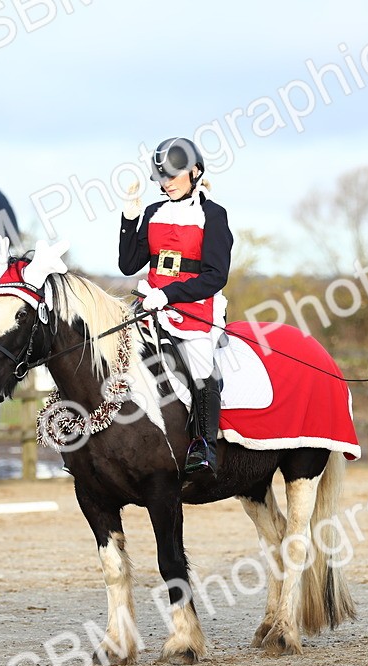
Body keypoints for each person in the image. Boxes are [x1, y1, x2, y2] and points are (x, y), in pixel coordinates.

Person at [119, 137, 233, 475]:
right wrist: (129, 217)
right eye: (162, 177)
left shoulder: (213, 215)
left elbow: (216, 276)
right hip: (151, 306)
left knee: (200, 365)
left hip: (196, 309)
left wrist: (169, 295)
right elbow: (129, 264)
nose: (166, 183)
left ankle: (204, 446)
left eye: (172, 176)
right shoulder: (154, 212)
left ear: (195, 171)